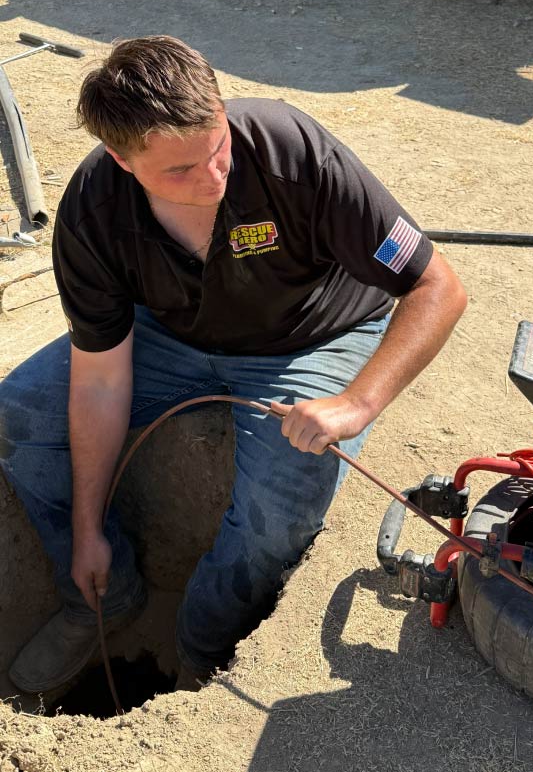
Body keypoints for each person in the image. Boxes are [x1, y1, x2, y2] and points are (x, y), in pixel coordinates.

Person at [0, 36, 466, 694]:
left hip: (313, 338)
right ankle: (101, 599)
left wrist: (356, 403)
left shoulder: (292, 152)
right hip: (169, 336)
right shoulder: (93, 209)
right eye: (180, 171)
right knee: (18, 420)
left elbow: (437, 286)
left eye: (217, 147)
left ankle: (198, 654)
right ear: (122, 160)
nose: (214, 176)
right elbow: (100, 378)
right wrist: (87, 531)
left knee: (279, 507)